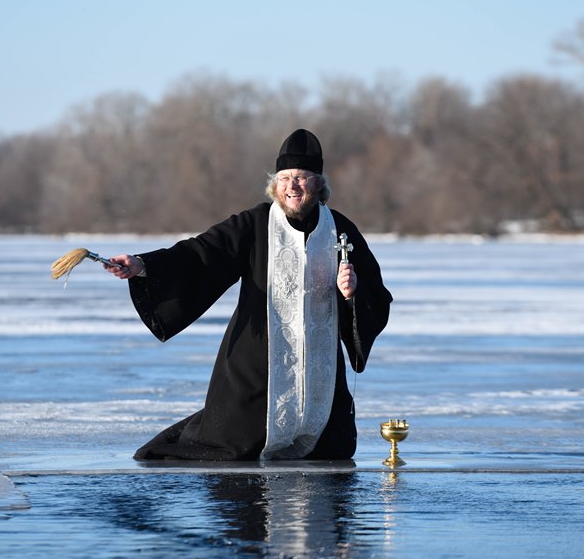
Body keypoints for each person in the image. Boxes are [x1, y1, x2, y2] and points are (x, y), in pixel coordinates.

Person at [105, 129, 392, 461]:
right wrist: (144, 265)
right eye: (284, 178)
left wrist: (352, 293)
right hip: (258, 367)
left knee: (331, 451)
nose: (292, 186)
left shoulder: (341, 230)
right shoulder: (254, 224)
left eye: (302, 177)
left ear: (319, 184)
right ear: (274, 184)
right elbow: (201, 255)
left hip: (320, 370)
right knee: (234, 449)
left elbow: (376, 294)